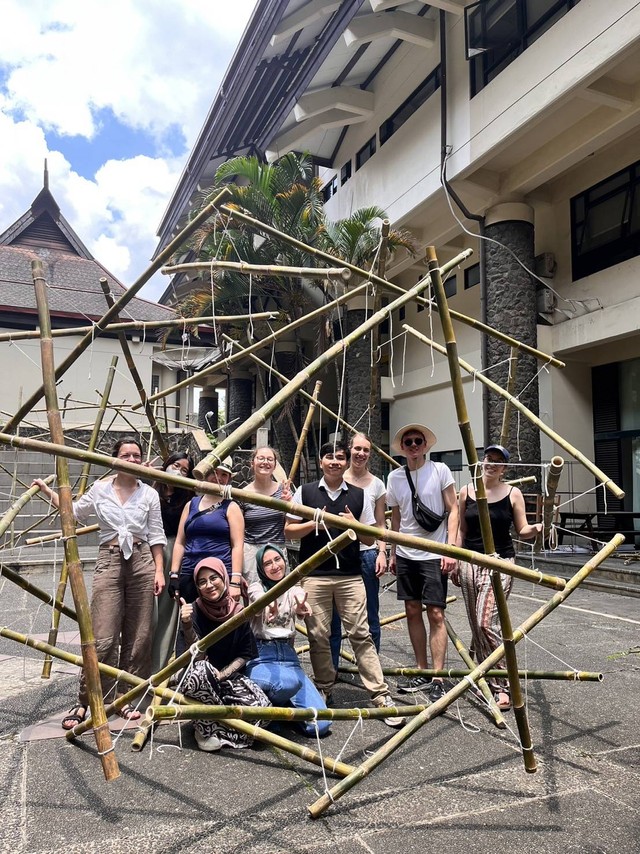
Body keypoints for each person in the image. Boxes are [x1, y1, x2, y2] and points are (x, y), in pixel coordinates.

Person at [33, 436, 167, 729]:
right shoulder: (100, 489)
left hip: (142, 561)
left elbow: (156, 535)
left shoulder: (149, 494)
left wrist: (159, 570)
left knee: (140, 635)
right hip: (109, 560)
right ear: (114, 459)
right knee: (102, 635)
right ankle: (89, 700)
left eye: (136, 455)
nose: (132, 459)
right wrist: (46, 491)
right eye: (126, 455)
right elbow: (73, 513)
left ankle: (125, 698)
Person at [284, 440, 404, 728]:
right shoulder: (306, 491)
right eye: (330, 457)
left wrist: (354, 524)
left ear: (346, 461)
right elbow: (289, 529)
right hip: (315, 574)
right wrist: (314, 521)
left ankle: (379, 693)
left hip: (350, 576)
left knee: (361, 633)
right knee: (319, 634)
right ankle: (324, 687)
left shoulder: (360, 495)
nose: (335, 461)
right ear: (321, 461)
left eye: (340, 457)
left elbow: (370, 538)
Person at [453, 444, 541, 709]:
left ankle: (502, 684)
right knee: (474, 624)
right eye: (487, 459)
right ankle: (487, 678)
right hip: (470, 561)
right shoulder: (466, 491)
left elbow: (522, 529)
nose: (490, 464)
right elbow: (461, 529)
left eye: (497, 461)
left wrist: (538, 527)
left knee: (484, 623)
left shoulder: (513, 493)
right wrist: (456, 559)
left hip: (501, 563)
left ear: (504, 468)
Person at [386, 423, 458, 702]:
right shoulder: (395, 477)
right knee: (412, 610)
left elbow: (453, 510)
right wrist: (392, 552)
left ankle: (439, 676)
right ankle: (422, 669)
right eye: (409, 442)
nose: (414, 445)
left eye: (418, 441)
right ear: (402, 447)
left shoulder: (440, 470)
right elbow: (396, 517)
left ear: (426, 445)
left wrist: (451, 549)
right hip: (405, 553)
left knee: (436, 613)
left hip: (434, 551)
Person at [179, 557, 270, 752]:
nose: (209, 585)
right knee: (201, 671)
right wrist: (187, 625)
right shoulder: (192, 611)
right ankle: (204, 730)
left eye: (214, 578)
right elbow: (195, 656)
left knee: (263, 711)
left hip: (228, 678)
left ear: (224, 578)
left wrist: (223, 675)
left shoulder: (239, 611)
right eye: (202, 582)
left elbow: (245, 653)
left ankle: (217, 727)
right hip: (200, 679)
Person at [245, 543, 331, 737]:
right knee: (286, 684)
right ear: (261, 568)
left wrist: (302, 607)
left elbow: (300, 597)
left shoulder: (293, 588)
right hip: (261, 656)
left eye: (277, 560)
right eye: (267, 563)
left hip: (289, 658)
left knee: (320, 724)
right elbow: (258, 601)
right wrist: (268, 607)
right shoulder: (256, 587)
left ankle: (277, 712)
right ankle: (274, 707)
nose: (274, 566)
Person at [330, 432, 387, 668]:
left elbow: (381, 523)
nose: (361, 454)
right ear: (349, 450)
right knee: (333, 616)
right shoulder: (335, 477)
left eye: (366, 450)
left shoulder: (377, 484)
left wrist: (383, 551)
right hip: (337, 554)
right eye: (357, 449)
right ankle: (330, 671)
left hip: (366, 553)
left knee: (370, 613)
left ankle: (370, 670)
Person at [169, 456, 244, 603]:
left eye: (224, 475)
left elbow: (237, 546)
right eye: (214, 472)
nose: (218, 478)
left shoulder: (231, 507)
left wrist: (235, 580)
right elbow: (180, 542)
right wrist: (174, 574)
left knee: (220, 621)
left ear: (229, 479)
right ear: (206, 474)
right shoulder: (191, 505)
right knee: (189, 619)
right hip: (190, 571)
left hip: (219, 573)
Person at [150, 452, 194, 672]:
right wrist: (144, 472)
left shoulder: (187, 498)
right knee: (143, 610)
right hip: (147, 552)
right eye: (175, 465)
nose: (178, 471)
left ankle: (159, 666)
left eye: (184, 470)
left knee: (168, 612)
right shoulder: (149, 489)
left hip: (173, 556)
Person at [241, 446, 292, 586]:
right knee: (255, 597)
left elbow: (291, 525)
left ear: (275, 465)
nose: (265, 462)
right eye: (261, 458)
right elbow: (238, 532)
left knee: (281, 594)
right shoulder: (243, 494)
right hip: (252, 550)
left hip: (277, 548)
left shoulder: (284, 491)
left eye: (270, 459)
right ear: (252, 463)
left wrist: (288, 504)